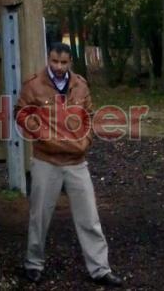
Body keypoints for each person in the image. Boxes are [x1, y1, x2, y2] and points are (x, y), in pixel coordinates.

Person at [14, 43, 123, 287]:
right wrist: (42, 134)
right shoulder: (33, 85)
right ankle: (33, 264)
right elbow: (21, 113)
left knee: (90, 218)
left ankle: (100, 269)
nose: (59, 67)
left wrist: (86, 141)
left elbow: (90, 116)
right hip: (46, 160)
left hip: (76, 161)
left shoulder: (81, 85)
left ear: (70, 62)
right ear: (49, 60)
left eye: (64, 63)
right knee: (39, 216)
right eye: (55, 62)